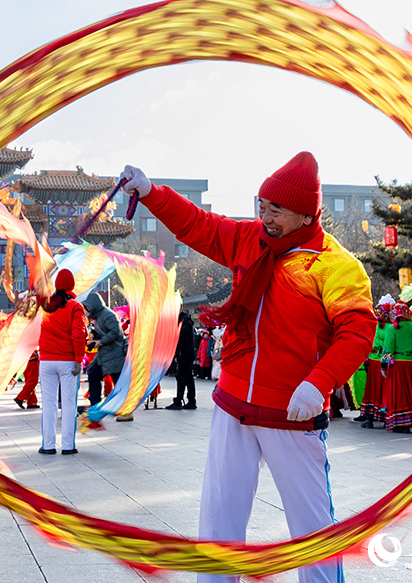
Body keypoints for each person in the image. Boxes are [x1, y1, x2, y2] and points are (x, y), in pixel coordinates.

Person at [120, 152, 376, 583]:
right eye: (262, 205)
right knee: (219, 518)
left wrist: (319, 383)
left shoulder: (335, 266)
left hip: (291, 413)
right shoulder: (249, 238)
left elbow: (358, 333)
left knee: (312, 529)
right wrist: (150, 192)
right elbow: (199, 225)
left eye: (276, 210)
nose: (265, 216)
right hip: (232, 403)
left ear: (305, 214)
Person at [38, 269, 88, 455]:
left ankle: (48, 445)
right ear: (72, 286)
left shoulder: (46, 305)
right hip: (67, 361)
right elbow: (78, 334)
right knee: (68, 403)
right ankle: (68, 446)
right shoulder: (75, 306)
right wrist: (78, 359)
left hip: (46, 361)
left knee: (49, 404)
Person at [380, 301, 412, 433]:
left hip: (400, 363)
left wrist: (384, 366)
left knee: (401, 392)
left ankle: (404, 423)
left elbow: (388, 349)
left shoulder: (392, 329)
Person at [82, 293, 128, 421]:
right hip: (105, 355)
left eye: (89, 307)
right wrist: (96, 338)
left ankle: (127, 411)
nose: (87, 310)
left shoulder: (107, 315)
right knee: (94, 376)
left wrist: (100, 342)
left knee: (118, 383)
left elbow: (116, 332)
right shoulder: (98, 317)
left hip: (114, 354)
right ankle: (95, 408)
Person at [358, 298, 392, 428]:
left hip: (374, 360)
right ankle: (382, 416)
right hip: (383, 361)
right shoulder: (390, 327)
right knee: (381, 389)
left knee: (372, 389)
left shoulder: (372, 324)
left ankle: (370, 417)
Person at [168, 310, 197, 410]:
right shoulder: (183, 320)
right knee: (188, 378)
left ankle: (179, 400)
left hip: (185, 354)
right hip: (184, 354)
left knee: (181, 377)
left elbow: (180, 335)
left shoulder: (184, 321)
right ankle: (191, 401)